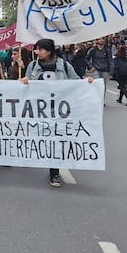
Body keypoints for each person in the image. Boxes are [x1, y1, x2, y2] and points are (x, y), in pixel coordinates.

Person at [20, 38, 94, 188]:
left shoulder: (64, 66)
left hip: (60, 110)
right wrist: (24, 81)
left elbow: (76, 81)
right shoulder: (33, 66)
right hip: (40, 110)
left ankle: (54, 171)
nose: (37, 52)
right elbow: (24, 86)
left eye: (40, 49)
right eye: (36, 49)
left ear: (49, 51)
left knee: (56, 140)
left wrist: (88, 82)